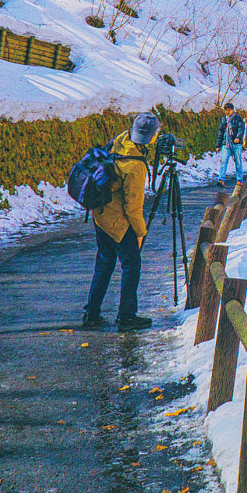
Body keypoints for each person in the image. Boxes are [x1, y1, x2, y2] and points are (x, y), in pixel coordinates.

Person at [83, 112, 156, 331]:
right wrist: (141, 233)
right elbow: (132, 207)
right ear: (151, 137)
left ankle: (91, 314)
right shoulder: (136, 165)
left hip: (100, 214)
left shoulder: (120, 141)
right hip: (118, 221)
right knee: (131, 265)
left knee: (104, 264)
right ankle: (127, 317)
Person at [217, 102, 245, 186]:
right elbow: (220, 132)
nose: (227, 112)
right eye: (226, 110)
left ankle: (239, 180)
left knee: (238, 161)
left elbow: (241, 129)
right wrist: (218, 145)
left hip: (236, 144)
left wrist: (238, 138)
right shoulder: (223, 119)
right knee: (224, 161)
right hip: (226, 143)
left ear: (233, 110)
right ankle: (221, 180)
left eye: (229, 110)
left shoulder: (237, 118)